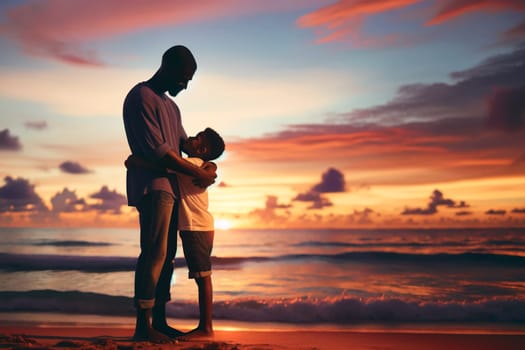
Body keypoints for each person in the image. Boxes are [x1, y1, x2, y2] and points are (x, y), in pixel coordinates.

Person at [123, 45, 216, 343]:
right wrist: (198, 173)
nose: (186, 85)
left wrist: (210, 165)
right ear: (169, 67)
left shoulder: (172, 107)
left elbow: (184, 145)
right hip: (154, 187)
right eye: (184, 78)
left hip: (172, 189)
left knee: (168, 257)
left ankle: (159, 321)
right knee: (154, 252)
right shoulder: (141, 97)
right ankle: (142, 325)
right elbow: (163, 154)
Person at [126, 127, 225, 339]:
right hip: (198, 226)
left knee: (203, 276)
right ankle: (204, 326)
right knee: (201, 275)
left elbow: (163, 167)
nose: (189, 138)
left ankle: (206, 328)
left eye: (196, 138)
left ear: (203, 148)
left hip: (196, 226)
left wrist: (136, 163)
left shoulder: (193, 166)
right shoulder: (200, 165)